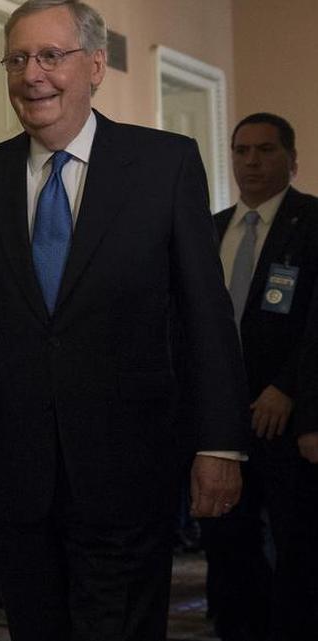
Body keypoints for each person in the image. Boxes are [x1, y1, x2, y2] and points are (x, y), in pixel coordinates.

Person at [0, 1, 249, 639]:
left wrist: (219, 442)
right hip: (13, 471)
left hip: (130, 465)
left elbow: (206, 316)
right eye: (17, 59)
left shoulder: (164, 165)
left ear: (95, 66)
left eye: (50, 56)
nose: (31, 74)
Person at [200, 112, 318, 641]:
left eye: (266, 151)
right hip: (219, 419)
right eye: (242, 150)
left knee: (298, 542)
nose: (252, 161)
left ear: (292, 161)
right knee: (227, 538)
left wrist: (288, 387)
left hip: (287, 418)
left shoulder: (312, 223)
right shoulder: (209, 229)